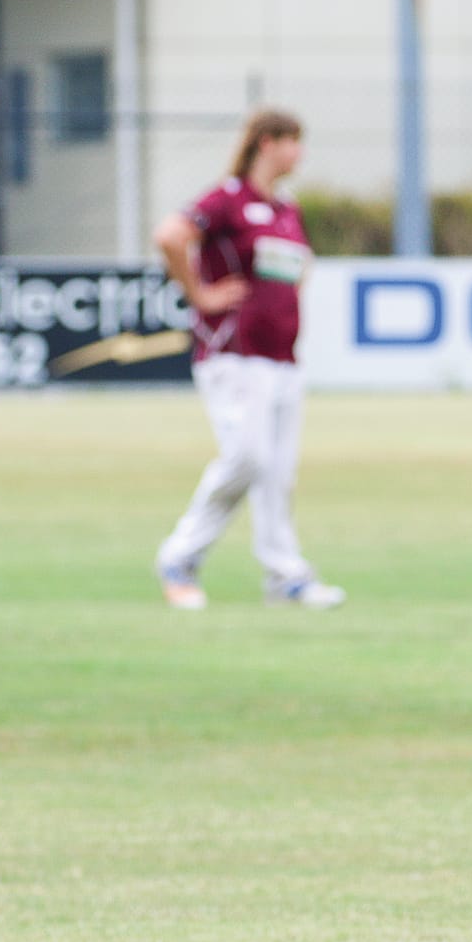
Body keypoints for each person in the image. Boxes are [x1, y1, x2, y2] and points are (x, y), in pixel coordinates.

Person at [151, 107, 344, 611]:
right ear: (266, 143)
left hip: (282, 357)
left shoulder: (286, 209)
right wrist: (200, 294)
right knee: (248, 457)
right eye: (291, 142)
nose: (299, 153)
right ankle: (180, 556)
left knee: (278, 471)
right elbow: (171, 236)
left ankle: (286, 576)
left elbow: (300, 268)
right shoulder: (227, 199)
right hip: (235, 354)